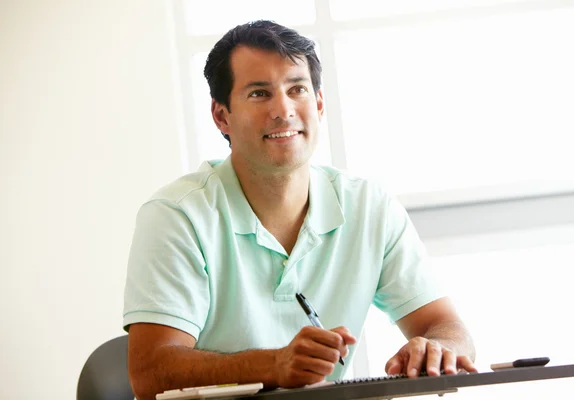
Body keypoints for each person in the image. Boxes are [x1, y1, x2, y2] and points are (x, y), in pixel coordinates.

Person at [123, 20, 477, 400]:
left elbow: (447, 327)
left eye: (298, 90)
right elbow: (150, 371)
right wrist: (274, 366)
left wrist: (438, 349)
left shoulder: (370, 206)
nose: (284, 110)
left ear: (319, 104)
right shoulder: (177, 215)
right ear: (222, 116)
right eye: (260, 93)